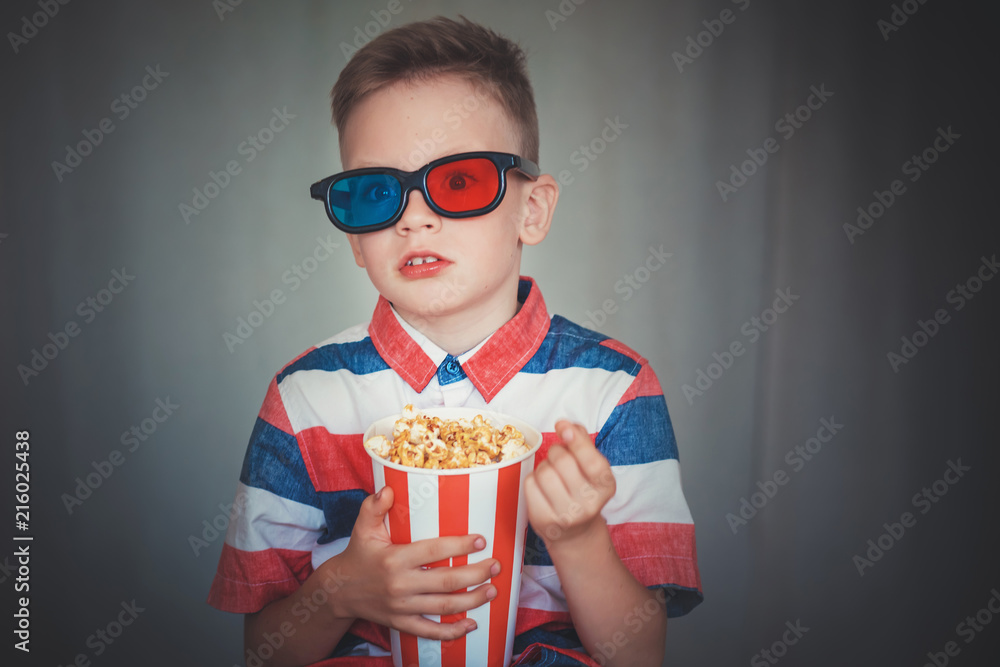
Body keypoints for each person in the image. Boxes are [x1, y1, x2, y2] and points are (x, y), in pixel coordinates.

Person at [208, 16, 702, 667]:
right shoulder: (305, 399)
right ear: (355, 237)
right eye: (375, 193)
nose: (414, 216)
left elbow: (640, 655)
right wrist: (338, 590)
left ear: (532, 209)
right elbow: (263, 653)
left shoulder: (613, 391)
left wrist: (579, 537)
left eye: (459, 181)